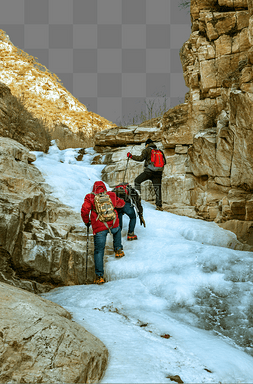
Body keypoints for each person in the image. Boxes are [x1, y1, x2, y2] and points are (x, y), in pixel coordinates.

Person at [81, 181, 125, 285]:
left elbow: (84, 210)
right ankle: (118, 250)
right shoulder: (111, 195)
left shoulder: (90, 197)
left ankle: (99, 276)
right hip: (113, 224)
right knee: (117, 230)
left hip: (100, 228)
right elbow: (121, 204)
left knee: (99, 251)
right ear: (104, 187)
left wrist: (87, 222)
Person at [127, 138, 166, 211]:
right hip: (158, 172)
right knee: (157, 188)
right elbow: (165, 162)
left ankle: (137, 199)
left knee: (137, 181)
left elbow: (141, 158)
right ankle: (159, 206)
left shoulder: (147, 150)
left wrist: (131, 156)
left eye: (145, 145)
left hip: (149, 172)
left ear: (147, 144)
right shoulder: (160, 151)